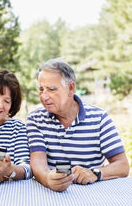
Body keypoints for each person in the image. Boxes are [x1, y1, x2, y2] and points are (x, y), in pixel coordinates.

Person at [27, 58, 129, 192]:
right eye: (41, 89)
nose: (44, 96)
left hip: (95, 198)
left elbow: (122, 166)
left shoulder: (99, 118)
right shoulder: (35, 119)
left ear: (71, 88)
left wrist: (94, 173)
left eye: (51, 89)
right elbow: (38, 162)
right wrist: (47, 179)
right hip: (50, 195)